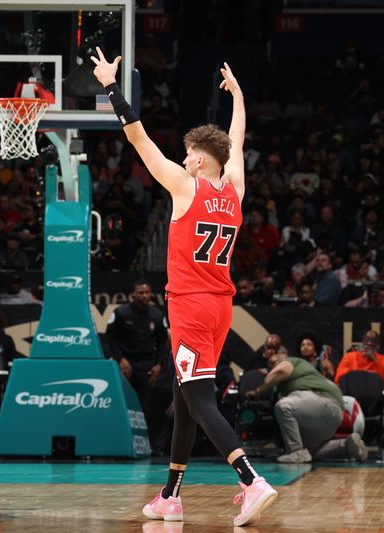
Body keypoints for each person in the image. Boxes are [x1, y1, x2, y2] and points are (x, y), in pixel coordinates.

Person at [91, 49, 276, 526]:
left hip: (191, 308)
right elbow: (236, 143)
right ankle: (170, 495)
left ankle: (250, 480)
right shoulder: (232, 189)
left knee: (198, 401)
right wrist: (238, 98)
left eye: (191, 153)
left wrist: (112, 86)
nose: (184, 157)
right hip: (220, 308)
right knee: (182, 395)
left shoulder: (183, 186)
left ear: (198, 160)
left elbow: (138, 137)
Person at [245, 340, 367, 463]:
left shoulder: (290, 361)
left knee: (284, 406)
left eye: (273, 363)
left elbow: (281, 370)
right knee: (309, 451)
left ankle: (296, 451)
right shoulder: (293, 379)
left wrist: (257, 391)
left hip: (323, 400)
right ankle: (346, 445)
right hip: (330, 416)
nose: (271, 366)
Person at [105, 280, 170, 411]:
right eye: (141, 292)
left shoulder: (157, 315)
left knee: (144, 404)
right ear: (134, 294)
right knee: (122, 402)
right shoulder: (120, 313)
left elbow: (163, 340)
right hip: (125, 363)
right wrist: (120, 359)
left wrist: (159, 364)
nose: (144, 295)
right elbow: (110, 337)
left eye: (147, 292)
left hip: (147, 365)